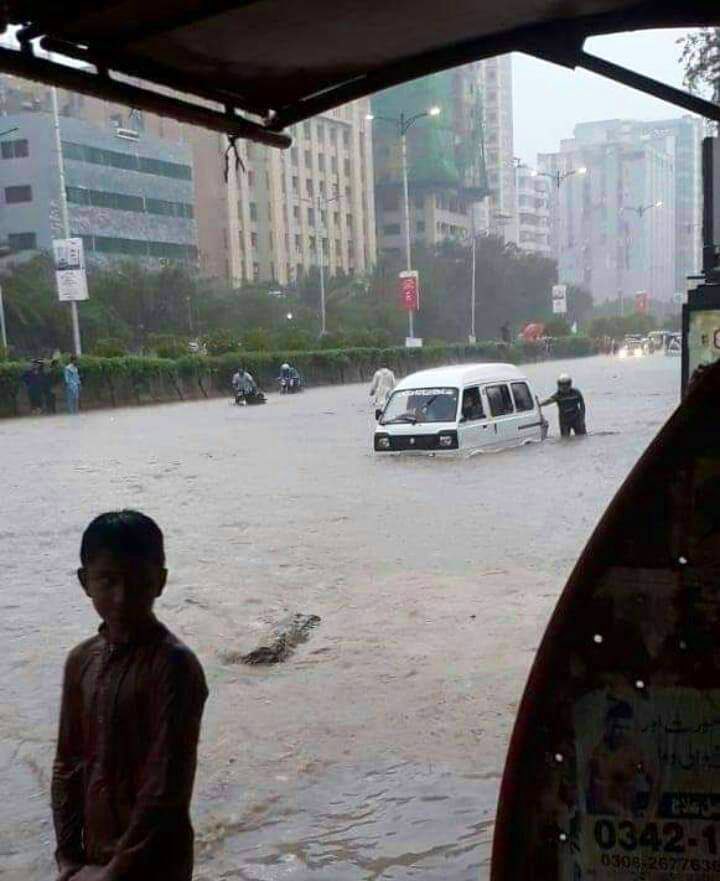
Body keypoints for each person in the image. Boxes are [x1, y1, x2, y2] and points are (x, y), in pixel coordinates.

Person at [52, 510, 208, 881]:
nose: (122, 598)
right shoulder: (80, 661)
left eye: (138, 582)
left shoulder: (175, 666)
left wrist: (114, 873)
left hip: (157, 863)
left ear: (161, 582)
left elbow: (166, 787)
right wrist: (68, 856)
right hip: (93, 855)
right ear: (84, 582)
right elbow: (67, 766)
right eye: (108, 580)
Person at [540, 373, 586, 437]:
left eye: (566, 385)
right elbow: (549, 401)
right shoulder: (558, 395)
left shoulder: (576, 393)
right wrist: (539, 405)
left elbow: (582, 406)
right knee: (565, 438)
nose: (564, 387)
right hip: (564, 421)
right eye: (562, 385)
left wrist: (582, 419)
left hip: (576, 418)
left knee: (582, 437)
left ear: (569, 384)